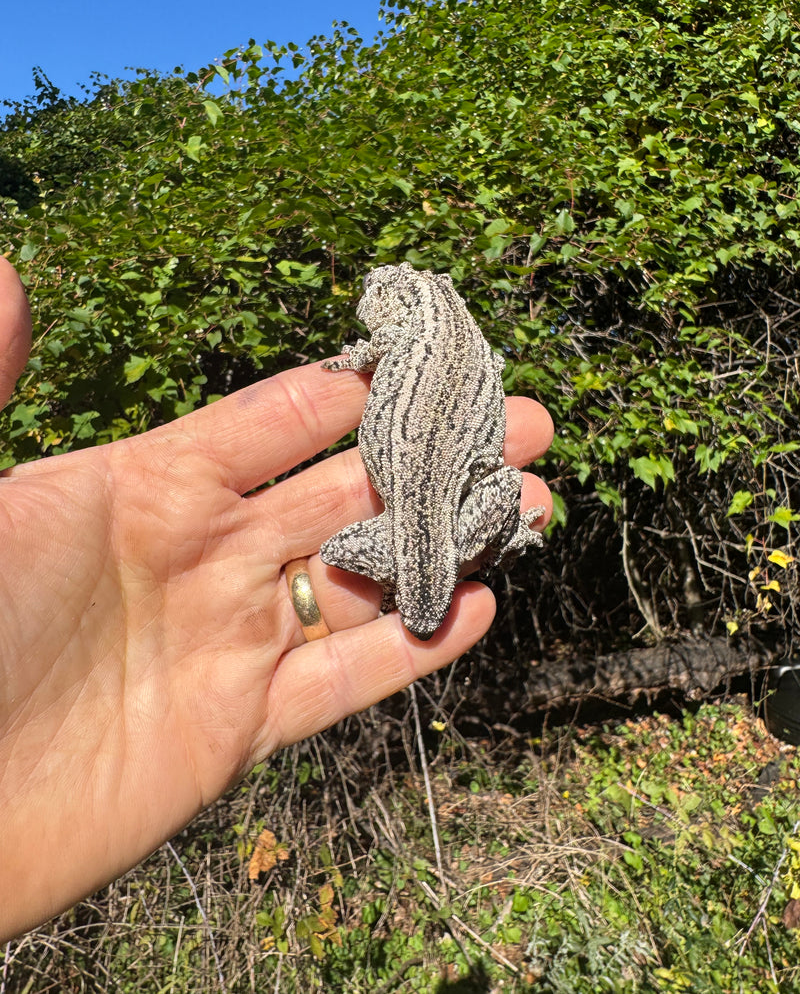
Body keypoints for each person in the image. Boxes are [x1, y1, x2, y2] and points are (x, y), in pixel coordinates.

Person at [0, 256, 553, 941]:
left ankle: (446, 564)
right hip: (443, 514)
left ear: (398, 295)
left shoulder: (410, 325)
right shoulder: (452, 327)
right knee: (472, 528)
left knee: (359, 565)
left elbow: (379, 351)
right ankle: (488, 547)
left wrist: (362, 355)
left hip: (421, 514)